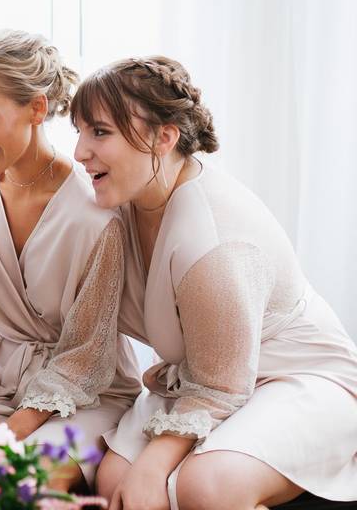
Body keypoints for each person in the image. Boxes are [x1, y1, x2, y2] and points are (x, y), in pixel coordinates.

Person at [71, 56, 357, 509]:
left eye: (100, 132)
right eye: (80, 132)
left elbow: (222, 384)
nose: (80, 152)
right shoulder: (127, 202)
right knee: (114, 481)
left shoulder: (214, 239)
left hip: (296, 377)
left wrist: (155, 464)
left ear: (163, 138)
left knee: (206, 486)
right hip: (202, 378)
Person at [0, 30, 140, 489]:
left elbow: (88, 355)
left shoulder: (96, 213)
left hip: (89, 394)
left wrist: (9, 432)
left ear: (36, 108)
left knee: (18, 481)